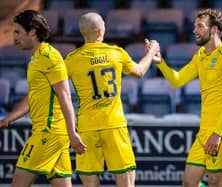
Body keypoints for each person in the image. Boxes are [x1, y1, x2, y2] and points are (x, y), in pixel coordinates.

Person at [147, 9, 222, 187]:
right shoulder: (201, 56)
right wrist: (161, 63)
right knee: (189, 183)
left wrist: (217, 133)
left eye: (200, 26)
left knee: (216, 183)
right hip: (204, 131)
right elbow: (177, 80)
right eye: (194, 26)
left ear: (213, 30)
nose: (194, 30)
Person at [64, 12, 159, 187]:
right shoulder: (116, 53)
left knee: (90, 180)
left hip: (87, 127)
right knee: (126, 177)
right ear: (101, 31)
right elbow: (139, 71)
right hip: (113, 124)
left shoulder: (71, 60)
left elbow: (59, 88)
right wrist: (151, 52)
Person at [0, 10, 86, 187]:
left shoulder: (49, 57)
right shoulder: (36, 58)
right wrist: (8, 119)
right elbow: (34, 96)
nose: (14, 37)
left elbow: (65, 95)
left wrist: (72, 133)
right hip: (54, 134)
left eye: (18, 32)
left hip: (48, 134)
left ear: (32, 31)